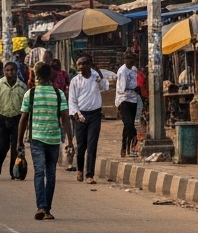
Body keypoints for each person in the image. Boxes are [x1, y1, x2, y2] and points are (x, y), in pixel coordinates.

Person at [18, 62, 70, 220]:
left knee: (39, 173)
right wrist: (70, 140)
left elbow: (23, 119)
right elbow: (65, 119)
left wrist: (19, 141)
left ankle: (41, 206)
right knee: (51, 174)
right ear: (50, 76)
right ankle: (46, 209)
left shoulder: (30, 94)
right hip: (54, 139)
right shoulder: (58, 93)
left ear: (35, 76)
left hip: (37, 139)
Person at [67, 54, 108, 182]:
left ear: (90, 65)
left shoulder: (96, 77)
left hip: (95, 114)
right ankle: (80, 169)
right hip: (80, 115)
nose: (81, 66)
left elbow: (104, 87)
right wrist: (75, 114)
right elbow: (72, 101)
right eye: (79, 64)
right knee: (81, 146)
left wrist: (100, 75)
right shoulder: (75, 81)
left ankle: (89, 175)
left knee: (92, 145)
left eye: (84, 63)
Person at [0, 61, 26, 181]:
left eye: (12, 70)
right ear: (4, 71)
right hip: (2, 119)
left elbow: (25, 106)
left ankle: (14, 172)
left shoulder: (22, 87)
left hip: (17, 120)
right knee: (2, 147)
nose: (10, 72)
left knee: (16, 147)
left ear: (16, 71)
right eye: (7, 70)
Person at [115, 51, 143, 158]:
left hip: (133, 99)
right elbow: (122, 88)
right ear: (125, 59)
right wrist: (133, 88)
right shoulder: (122, 71)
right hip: (123, 99)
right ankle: (124, 146)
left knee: (131, 125)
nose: (130, 61)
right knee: (128, 124)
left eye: (132, 59)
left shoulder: (134, 69)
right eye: (128, 59)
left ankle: (131, 147)